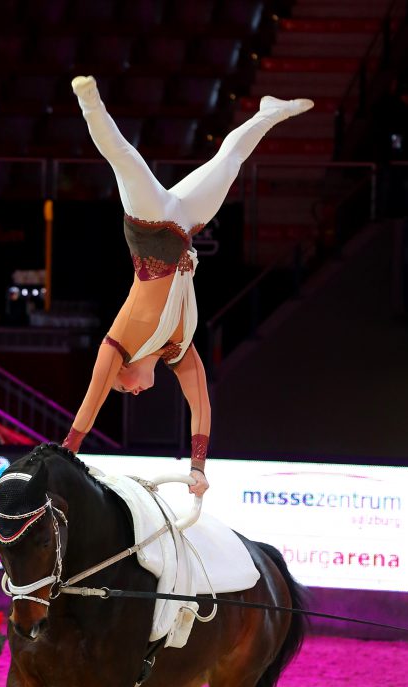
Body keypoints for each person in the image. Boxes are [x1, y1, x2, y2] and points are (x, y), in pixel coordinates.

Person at [61, 76, 313, 495]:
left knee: (123, 158)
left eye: (125, 388)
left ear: (120, 375)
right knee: (229, 161)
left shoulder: (117, 346)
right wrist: (198, 467)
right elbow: (201, 406)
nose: (135, 392)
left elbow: (92, 399)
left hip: (146, 223)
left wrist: (69, 449)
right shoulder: (178, 348)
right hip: (183, 225)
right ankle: (269, 111)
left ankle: (88, 99)